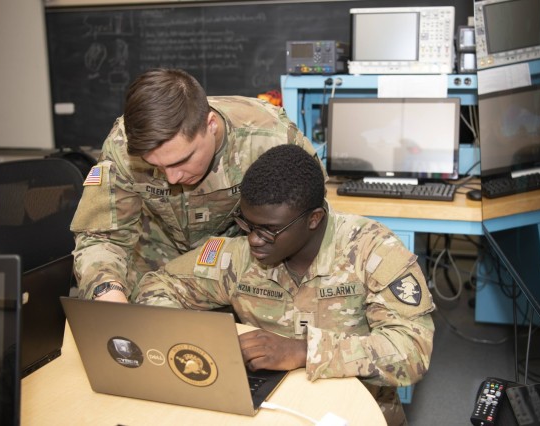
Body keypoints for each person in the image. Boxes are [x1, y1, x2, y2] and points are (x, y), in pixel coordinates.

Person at [136, 144, 435, 425]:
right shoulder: (239, 256)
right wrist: (200, 342)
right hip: (271, 410)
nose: (253, 239)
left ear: (314, 219)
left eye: (269, 230)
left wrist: (305, 351)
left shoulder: (372, 250)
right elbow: (158, 284)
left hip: (356, 410)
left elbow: (411, 352)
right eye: (247, 224)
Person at [70, 68, 324, 303]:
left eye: (182, 160)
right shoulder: (122, 147)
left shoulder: (269, 137)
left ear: (210, 125)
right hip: (153, 274)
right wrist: (107, 290)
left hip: (240, 271)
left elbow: (308, 225)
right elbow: (100, 236)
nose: (171, 179)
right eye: (156, 166)